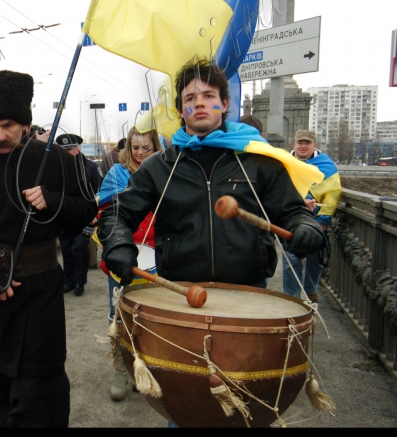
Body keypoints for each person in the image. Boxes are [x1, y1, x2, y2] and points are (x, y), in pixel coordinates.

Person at [99, 59, 324, 310]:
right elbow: (116, 214)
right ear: (181, 110)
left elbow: (292, 212)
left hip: (249, 292)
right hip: (180, 293)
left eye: (208, 95)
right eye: (189, 98)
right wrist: (119, 243)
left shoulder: (259, 160)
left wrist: (304, 226)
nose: (198, 103)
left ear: (224, 103)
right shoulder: (158, 166)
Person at [0, 70, 97, 428]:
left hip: (40, 294)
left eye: (8, 125)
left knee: (38, 400)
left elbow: (86, 213)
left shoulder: (56, 160)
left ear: (24, 122)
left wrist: (54, 201)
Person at [96, 125, 163, 400]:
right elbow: (104, 208)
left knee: (150, 319)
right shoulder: (116, 173)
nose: (139, 153)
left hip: (156, 257)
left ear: (155, 146)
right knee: (119, 316)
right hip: (123, 255)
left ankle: (143, 369)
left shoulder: (164, 170)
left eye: (146, 148)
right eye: (135, 147)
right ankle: (120, 370)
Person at [282, 130, 342, 302]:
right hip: (290, 217)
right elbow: (278, 189)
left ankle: (310, 289)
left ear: (314, 145)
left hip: (316, 220)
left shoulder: (326, 166)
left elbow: (333, 193)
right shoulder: (284, 163)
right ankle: (292, 298)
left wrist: (324, 219)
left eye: (307, 143)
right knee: (291, 258)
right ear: (294, 144)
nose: (303, 146)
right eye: (300, 143)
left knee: (315, 258)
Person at [54, 133, 102, 297]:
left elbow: (99, 192)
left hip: (86, 217)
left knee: (79, 248)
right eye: (64, 150)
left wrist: (96, 214)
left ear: (77, 149)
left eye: (70, 149)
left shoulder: (90, 167)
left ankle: (80, 281)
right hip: (65, 217)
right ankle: (69, 281)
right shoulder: (58, 168)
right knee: (66, 248)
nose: (67, 153)